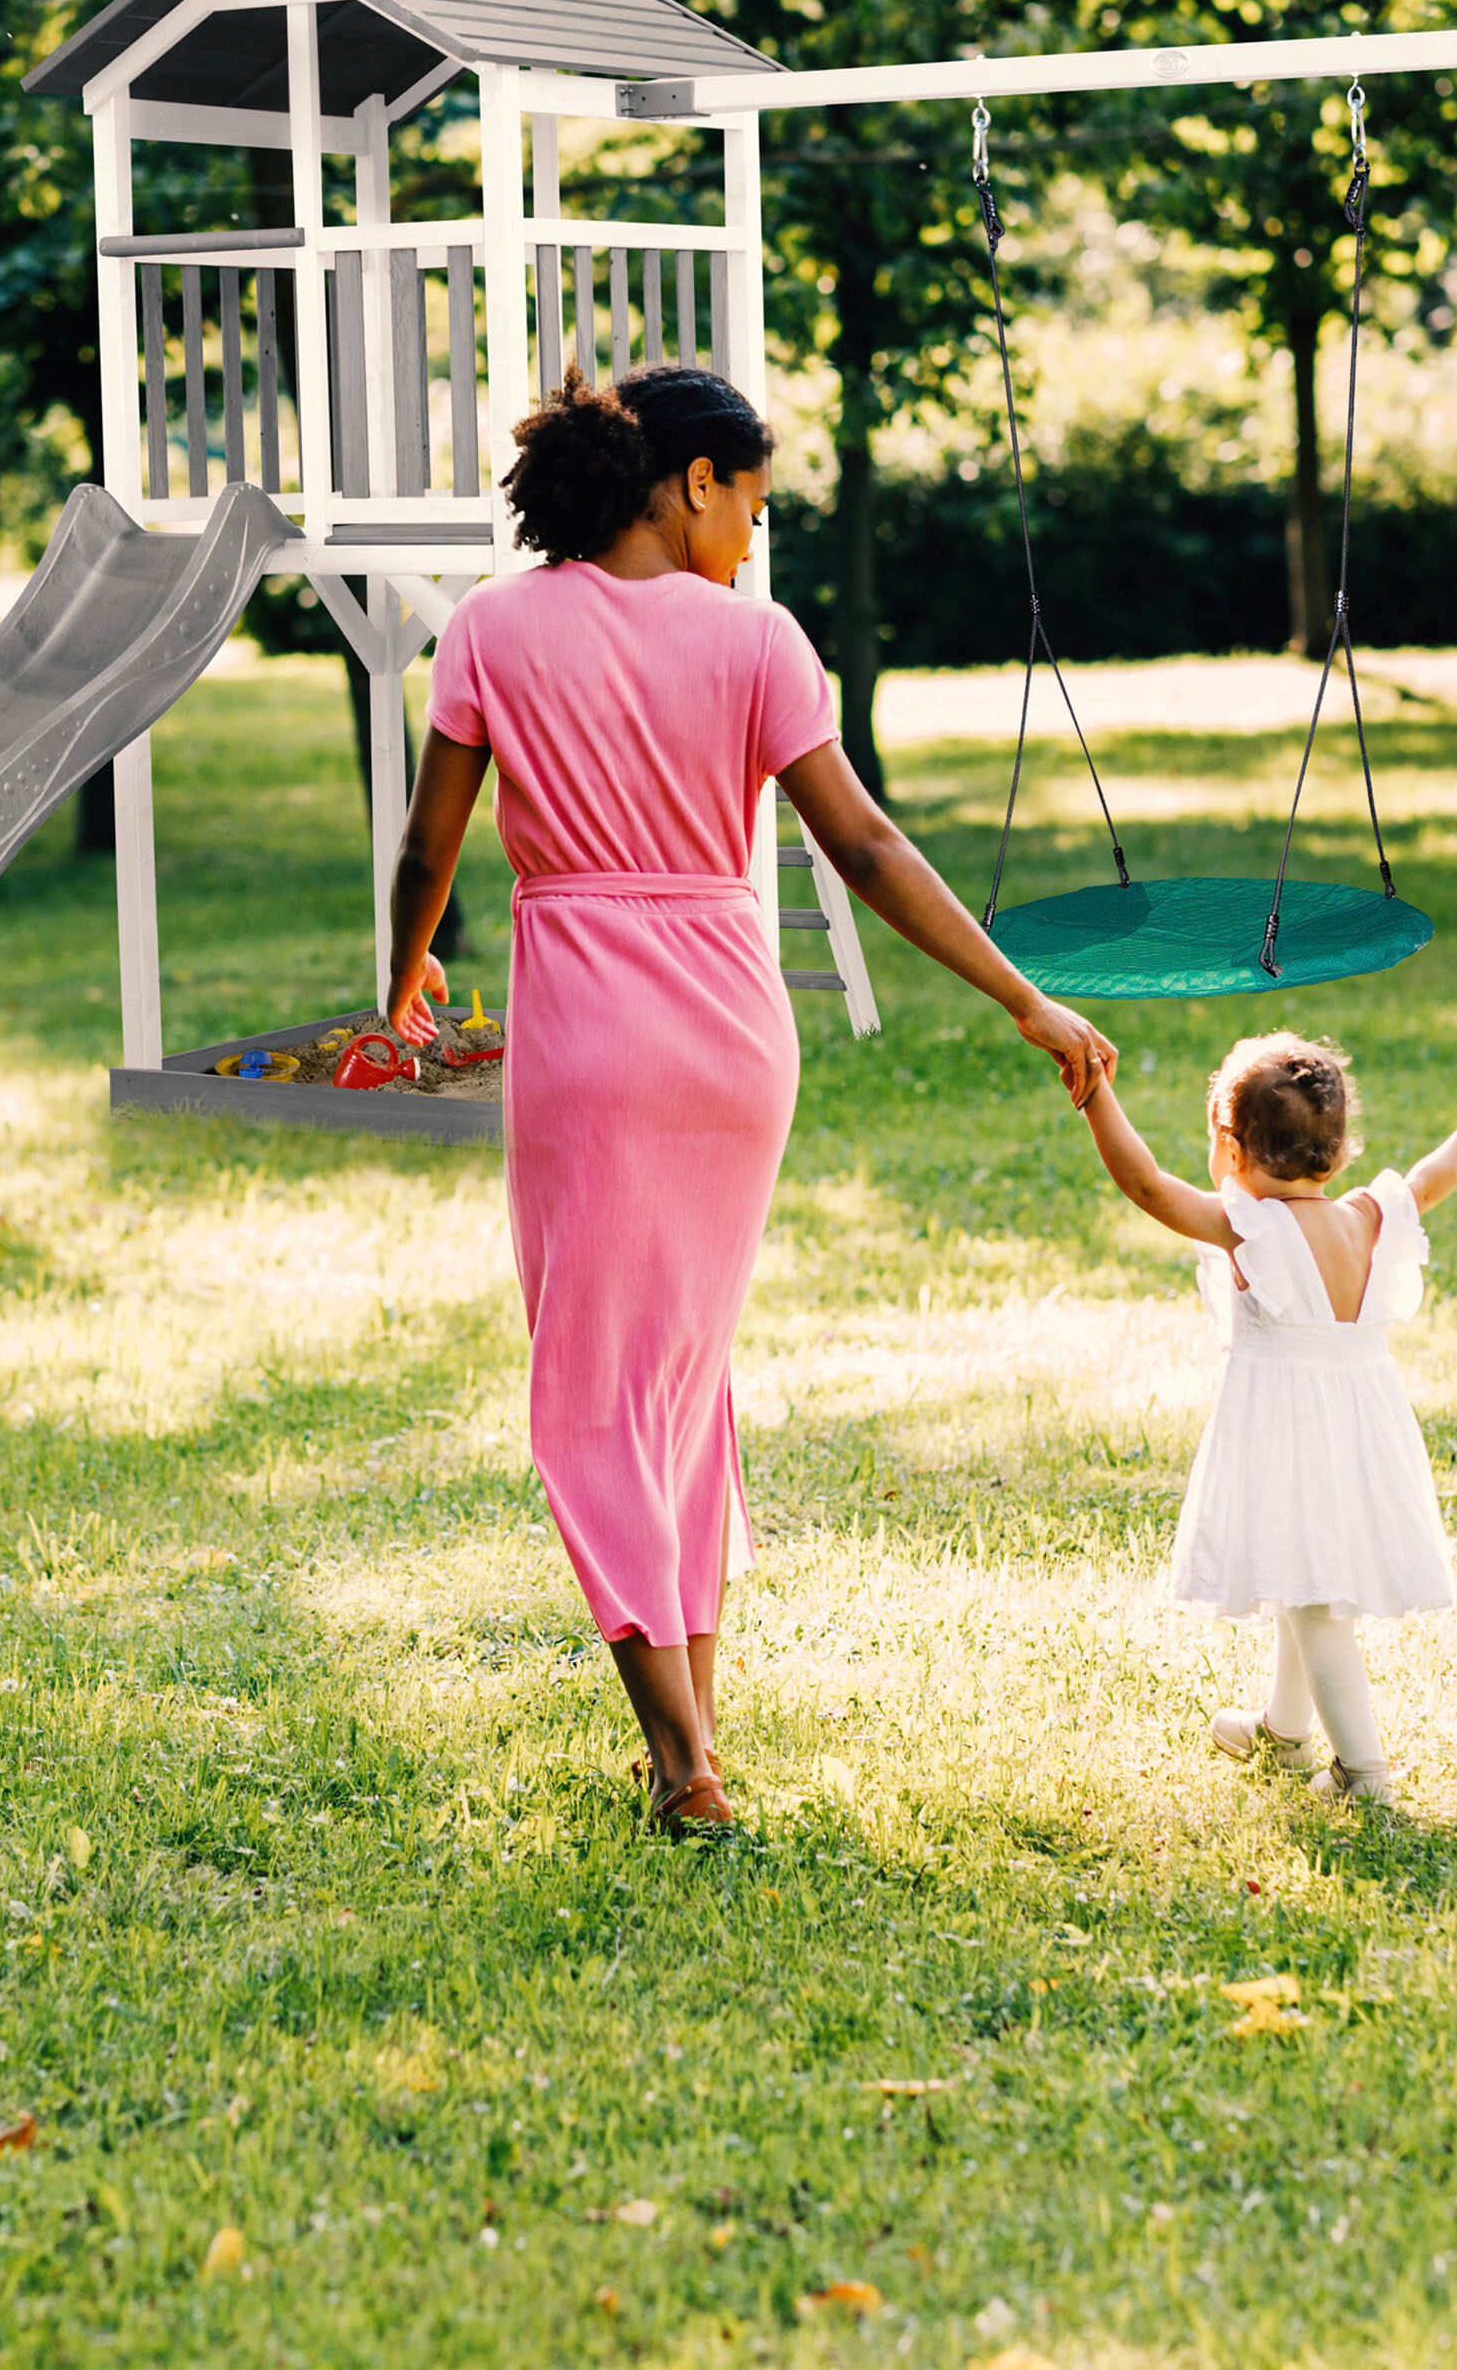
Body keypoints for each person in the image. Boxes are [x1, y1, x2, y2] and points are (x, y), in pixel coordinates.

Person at [383, 365, 1117, 1836]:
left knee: (594, 1392)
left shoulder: (492, 628)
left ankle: (682, 1764)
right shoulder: (759, 643)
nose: (754, 537)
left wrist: (400, 982)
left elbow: (430, 848)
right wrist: (1022, 994)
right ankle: (695, 1734)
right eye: (753, 504)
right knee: (679, 1382)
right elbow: (864, 848)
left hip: (588, 1032)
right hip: (731, 1034)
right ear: (690, 481)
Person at [1075, 1032, 1457, 1804]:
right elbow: (1428, 1179)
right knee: (1298, 1574)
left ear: (1231, 1148)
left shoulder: (1251, 1230)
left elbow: (1146, 1185)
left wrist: (1095, 1095)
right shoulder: (1368, 1216)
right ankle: (1284, 1731)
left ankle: (1363, 1773)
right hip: (1360, 1432)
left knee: (1315, 1604)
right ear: (1339, 1152)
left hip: (1290, 1435)